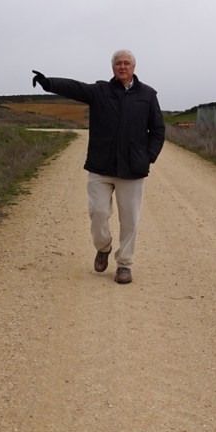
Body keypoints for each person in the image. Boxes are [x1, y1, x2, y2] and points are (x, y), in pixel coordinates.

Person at [31, 49, 165, 284]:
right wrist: (48, 82)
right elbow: (75, 88)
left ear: (134, 67)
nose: (122, 66)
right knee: (98, 212)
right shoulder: (100, 91)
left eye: (126, 63)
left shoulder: (147, 95)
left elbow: (158, 130)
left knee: (130, 219)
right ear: (112, 67)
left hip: (132, 170)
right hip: (101, 165)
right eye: (118, 63)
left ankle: (124, 264)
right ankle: (103, 247)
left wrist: (148, 157)